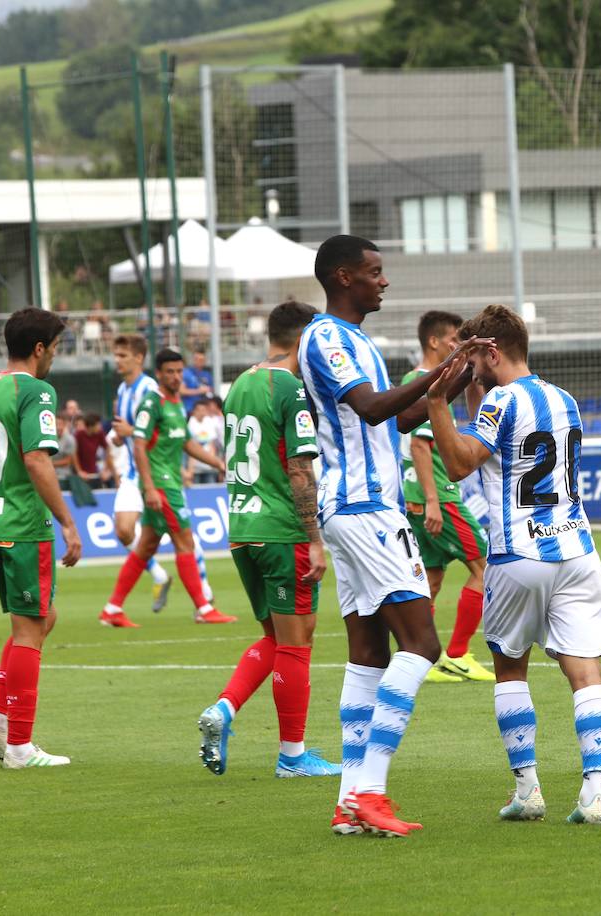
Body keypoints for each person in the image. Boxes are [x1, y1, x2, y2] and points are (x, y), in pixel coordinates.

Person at [298, 235, 484, 838]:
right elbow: (375, 408)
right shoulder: (326, 336)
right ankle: (372, 792)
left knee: (369, 655)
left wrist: (457, 374)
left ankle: (350, 801)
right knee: (423, 646)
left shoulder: (358, 343)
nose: (384, 282)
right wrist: (439, 370)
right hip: (367, 509)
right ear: (344, 276)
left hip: (354, 511)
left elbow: (403, 418)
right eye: (375, 273)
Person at [427, 304, 601, 826]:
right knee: (585, 671)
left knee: (510, 668)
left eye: (472, 356)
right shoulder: (563, 398)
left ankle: (528, 791)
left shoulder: (503, 401)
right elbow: (495, 433)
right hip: (577, 552)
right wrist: (471, 383)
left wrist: (435, 400)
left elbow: (463, 460)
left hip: (517, 554)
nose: (467, 366)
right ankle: (594, 794)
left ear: (490, 351)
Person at [196, 300, 339, 779]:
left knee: (275, 637)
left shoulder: (240, 384)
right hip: (282, 530)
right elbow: (300, 468)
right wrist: (314, 538)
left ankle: (224, 708)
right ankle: (293, 756)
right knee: (297, 643)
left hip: (242, 528)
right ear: (305, 339)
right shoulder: (290, 388)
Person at [0, 307, 83, 768]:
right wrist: (67, 522)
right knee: (31, 630)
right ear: (39, 349)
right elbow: (37, 459)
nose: (55, 356)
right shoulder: (37, 390)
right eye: (55, 348)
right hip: (22, 525)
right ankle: (19, 746)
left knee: (39, 618)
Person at [100, 348, 234, 627]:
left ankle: (112, 609)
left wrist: (218, 463)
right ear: (158, 374)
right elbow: (138, 445)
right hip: (161, 486)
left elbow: (187, 443)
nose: (175, 377)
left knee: (146, 547)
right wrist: (148, 487)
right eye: (170, 372)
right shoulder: (153, 403)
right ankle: (203, 608)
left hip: (168, 483)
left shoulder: (175, 404)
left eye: (179, 371)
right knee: (185, 542)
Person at [401, 310, 493, 684]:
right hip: (439, 496)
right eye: (454, 340)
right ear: (435, 341)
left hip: (421, 497)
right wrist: (434, 502)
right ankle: (456, 653)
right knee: (486, 569)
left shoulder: (429, 381)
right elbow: (421, 448)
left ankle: (416, 657)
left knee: (432, 579)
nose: (459, 346)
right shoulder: (423, 382)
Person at [102, 334, 174, 625]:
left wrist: (131, 432)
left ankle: (205, 602)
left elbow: (160, 433)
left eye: (122, 355)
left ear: (139, 358)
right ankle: (158, 575)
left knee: (185, 538)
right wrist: (119, 438)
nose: (117, 360)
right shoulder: (123, 389)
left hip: (155, 474)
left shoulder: (150, 389)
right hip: (133, 473)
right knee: (123, 531)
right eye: (116, 355)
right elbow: (124, 434)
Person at [186, 398, 224, 486]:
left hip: (208, 466)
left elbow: (212, 445)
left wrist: (213, 463)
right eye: (200, 410)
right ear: (194, 411)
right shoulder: (190, 424)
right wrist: (190, 469)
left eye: (204, 410)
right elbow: (191, 446)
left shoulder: (209, 422)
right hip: (195, 467)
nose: (202, 412)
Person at [73, 413, 111, 490]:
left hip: (94, 473)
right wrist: (79, 471)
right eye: (98, 425)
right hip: (80, 476)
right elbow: (73, 454)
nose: (100, 427)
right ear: (90, 427)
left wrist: (105, 469)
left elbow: (108, 449)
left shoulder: (99, 434)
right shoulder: (79, 435)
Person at [180, 350, 215, 417]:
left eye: (201, 359)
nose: (199, 361)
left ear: (205, 360)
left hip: (204, 412)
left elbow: (212, 391)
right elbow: (181, 391)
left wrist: (208, 390)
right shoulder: (186, 372)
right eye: (197, 359)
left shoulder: (207, 375)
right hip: (189, 411)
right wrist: (199, 391)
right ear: (193, 360)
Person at [52, 413, 77, 492]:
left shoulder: (70, 439)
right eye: (56, 424)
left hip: (64, 477)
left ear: (65, 425)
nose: (58, 427)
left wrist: (48, 464)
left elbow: (67, 461)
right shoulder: (47, 438)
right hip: (48, 474)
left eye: (60, 424)